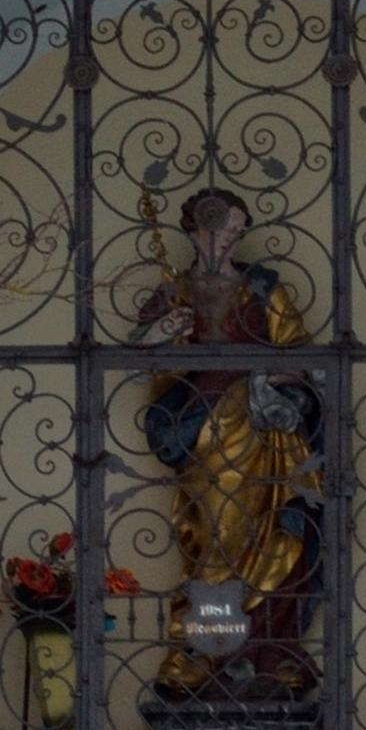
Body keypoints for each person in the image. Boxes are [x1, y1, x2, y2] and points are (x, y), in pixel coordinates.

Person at [130, 188, 322, 701]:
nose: (226, 240)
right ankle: (202, 650)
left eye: (235, 231)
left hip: (264, 435)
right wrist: (164, 336)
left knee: (275, 541)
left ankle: (266, 653)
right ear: (193, 232)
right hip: (202, 431)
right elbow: (145, 364)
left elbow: (301, 360)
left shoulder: (263, 292)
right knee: (214, 542)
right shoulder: (174, 293)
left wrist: (273, 377)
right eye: (217, 230)